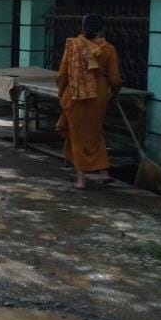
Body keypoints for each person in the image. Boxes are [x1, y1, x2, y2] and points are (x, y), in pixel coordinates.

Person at [56, 13, 123, 189]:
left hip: (75, 92)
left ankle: (81, 179)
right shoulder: (108, 49)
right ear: (102, 29)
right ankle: (103, 172)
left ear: (83, 27)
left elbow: (63, 73)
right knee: (94, 131)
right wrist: (114, 93)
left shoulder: (73, 45)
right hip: (98, 94)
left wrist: (61, 92)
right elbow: (115, 79)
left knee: (77, 134)